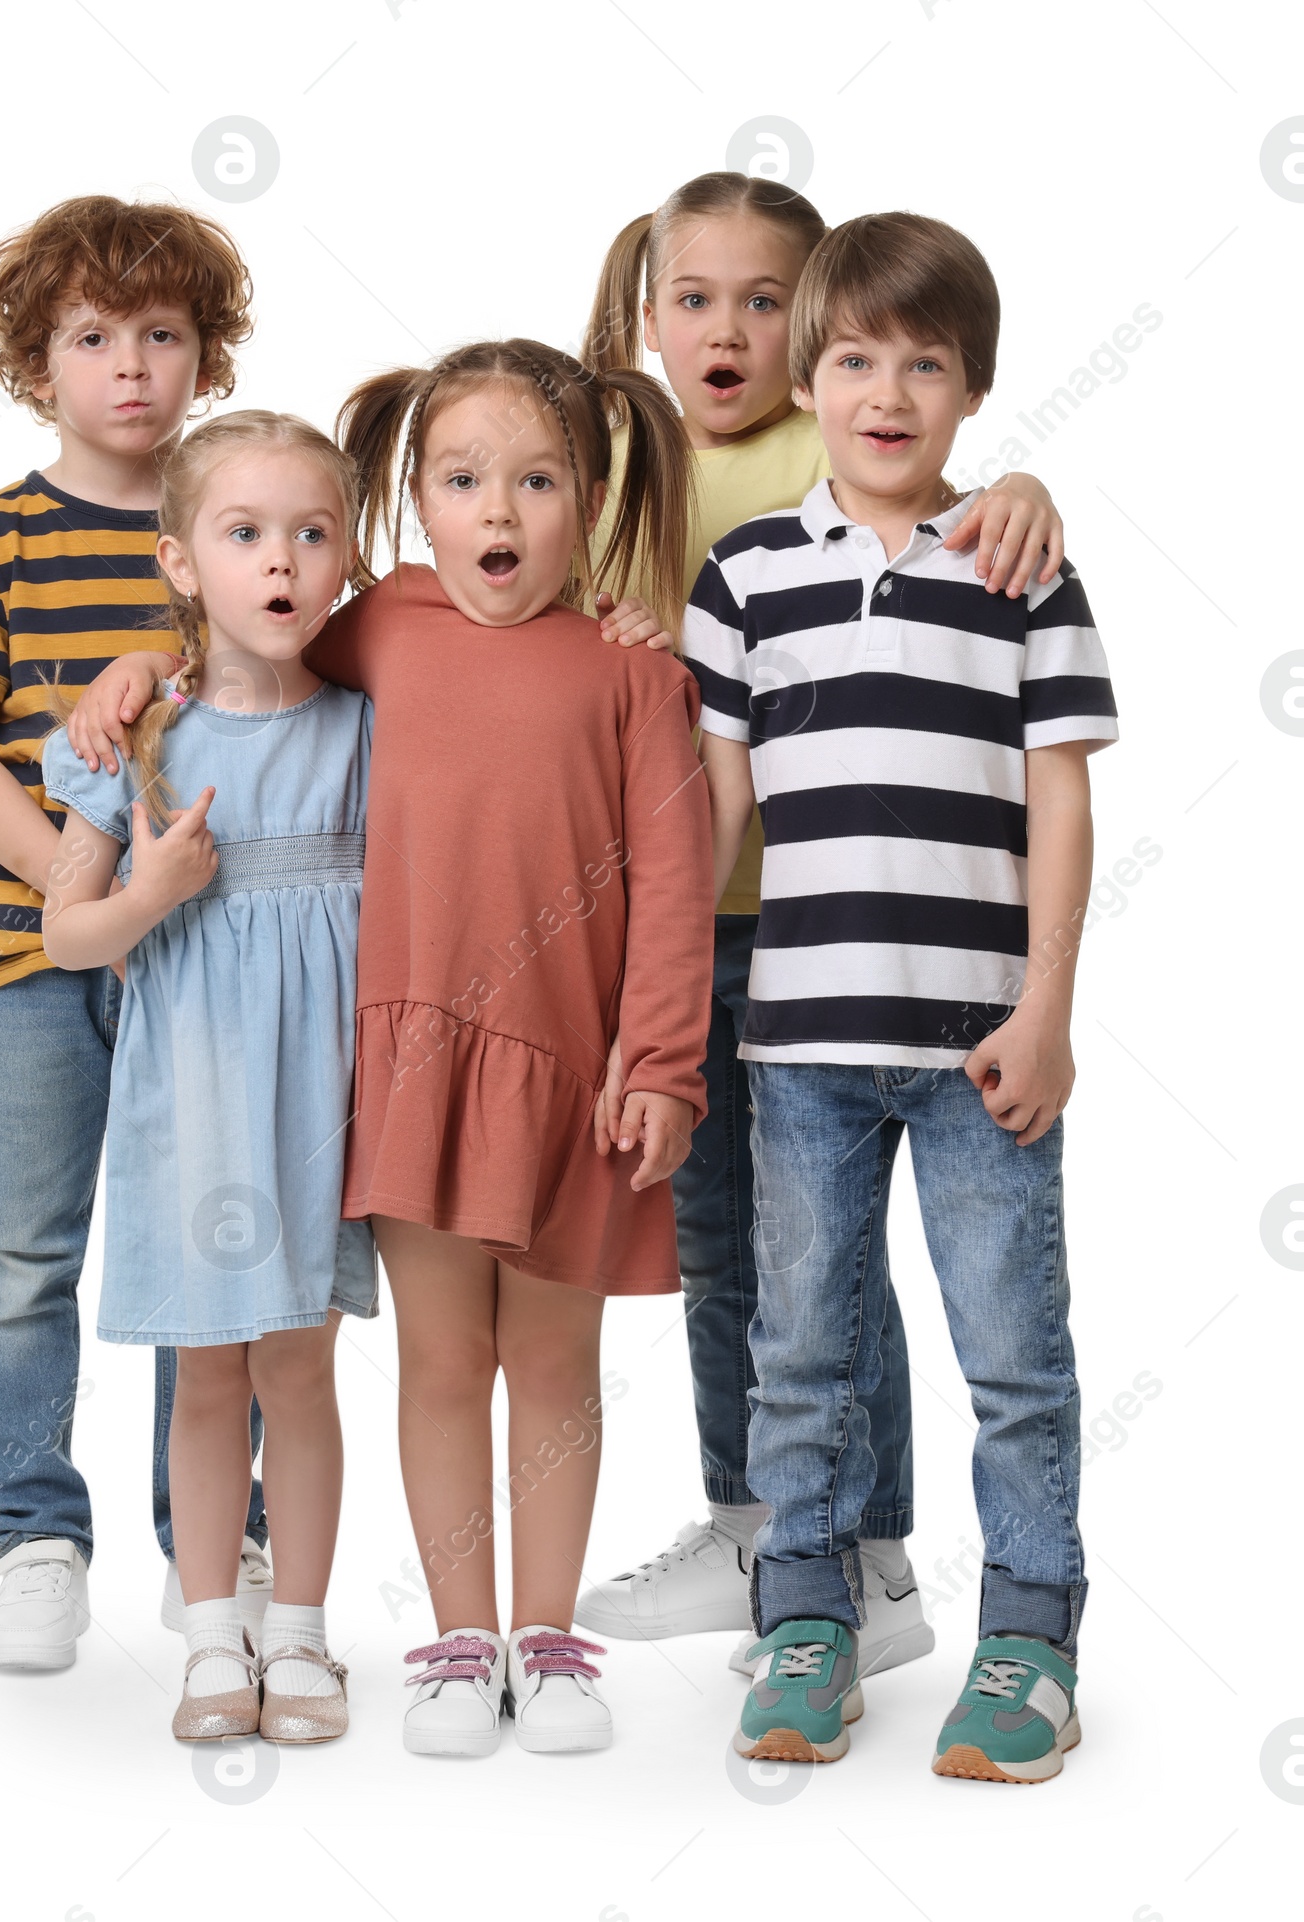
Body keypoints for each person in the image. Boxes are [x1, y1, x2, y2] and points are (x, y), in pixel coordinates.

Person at [67, 338, 714, 1757]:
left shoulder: (631, 671)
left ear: (591, 493)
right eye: (465, 479)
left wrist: (662, 1057)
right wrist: (136, 667)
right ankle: (455, 1638)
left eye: (538, 482)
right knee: (436, 1362)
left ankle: (547, 1638)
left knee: (552, 1362)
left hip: (577, 1073)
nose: (500, 513)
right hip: (411, 1074)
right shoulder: (385, 626)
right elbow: (250, 643)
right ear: (413, 499)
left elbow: (678, 876)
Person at [573, 171, 1068, 1684]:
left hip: (847, 936)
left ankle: (867, 1549)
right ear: (645, 314)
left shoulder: (850, 447)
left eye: (764, 300)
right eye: (692, 297)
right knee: (755, 1263)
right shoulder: (621, 458)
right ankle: (765, 1532)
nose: (728, 329)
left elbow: (930, 476)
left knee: (857, 1284)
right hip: (723, 934)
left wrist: (1023, 488)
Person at [687, 212, 1115, 1780]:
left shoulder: (1021, 568)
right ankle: (807, 1619)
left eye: (924, 363)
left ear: (972, 388)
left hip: (979, 1045)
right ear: (810, 376)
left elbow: (1059, 801)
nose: (887, 390)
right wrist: (660, 996)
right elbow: (715, 815)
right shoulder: (746, 576)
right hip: (795, 1041)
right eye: (856, 357)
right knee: (799, 1344)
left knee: (1013, 1348)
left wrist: (1048, 1005)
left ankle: (1030, 1638)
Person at [0, 196, 272, 1669]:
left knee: (209, 1251)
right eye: (93, 337)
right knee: (24, 1251)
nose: (132, 367)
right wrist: (85, 898)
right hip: (27, 970)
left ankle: (211, 1534)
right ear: (34, 362)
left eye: (164, 335)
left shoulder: (233, 525)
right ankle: (39, 1536)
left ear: (207, 355)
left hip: (212, 971)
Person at [41, 412, 374, 1742]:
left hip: (317, 1096)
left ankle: (299, 1635)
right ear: (183, 562)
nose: (280, 561)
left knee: (298, 1368)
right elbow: (67, 929)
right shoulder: (138, 741)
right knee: (205, 1374)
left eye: (312, 532)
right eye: (244, 535)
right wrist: (153, 887)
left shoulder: (364, 727)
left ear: (348, 559)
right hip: (190, 1094)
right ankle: (205, 1639)